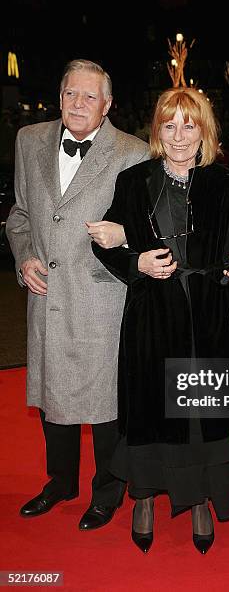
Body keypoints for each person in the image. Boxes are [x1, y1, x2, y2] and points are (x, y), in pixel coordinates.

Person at [92, 87, 229, 554]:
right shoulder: (134, 180)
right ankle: (143, 498)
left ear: (204, 129)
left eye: (189, 124)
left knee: (201, 411)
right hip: (152, 319)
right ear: (156, 129)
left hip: (208, 316)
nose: (179, 135)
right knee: (150, 411)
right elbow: (104, 242)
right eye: (169, 124)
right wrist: (136, 262)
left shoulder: (225, 182)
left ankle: (199, 498)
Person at [6, 59, 149, 530]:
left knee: (106, 404)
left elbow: (150, 229)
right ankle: (60, 482)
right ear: (59, 96)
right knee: (52, 395)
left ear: (108, 105)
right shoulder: (29, 141)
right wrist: (24, 255)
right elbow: (20, 214)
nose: (79, 104)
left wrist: (123, 234)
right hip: (45, 294)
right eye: (71, 94)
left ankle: (107, 492)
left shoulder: (134, 152)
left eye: (90, 96)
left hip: (102, 299)